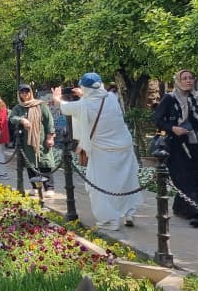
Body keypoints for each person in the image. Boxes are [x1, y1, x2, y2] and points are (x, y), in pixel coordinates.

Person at [53, 72, 143, 231]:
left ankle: (109, 220)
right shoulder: (111, 97)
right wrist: (85, 94)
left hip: (103, 152)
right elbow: (97, 97)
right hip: (124, 147)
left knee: (100, 186)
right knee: (126, 181)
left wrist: (57, 97)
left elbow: (64, 107)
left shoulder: (83, 105)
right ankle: (129, 213)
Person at [152, 69, 198, 227]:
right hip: (176, 145)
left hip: (197, 146)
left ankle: (180, 208)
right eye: (184, 78)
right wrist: (173, 128)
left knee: (194, 177)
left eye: (191, 78)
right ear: (178, 81)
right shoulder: (170, 99)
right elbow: (157, 119)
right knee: (183, 178)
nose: (188, 80)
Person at [10, 84, 56, 195]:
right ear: (19, 94)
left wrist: (50, 137)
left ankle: (49, 188)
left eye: (26, 91)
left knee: (45, 162)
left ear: (30, 92)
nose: (24, 94)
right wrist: (21, 120)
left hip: (41, 138)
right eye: (22, 92)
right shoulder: (18, 107)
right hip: (27, 140)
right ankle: (35, 187)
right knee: (30, 163)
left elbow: (49, 121)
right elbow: (12, 118)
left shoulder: (40, 105)